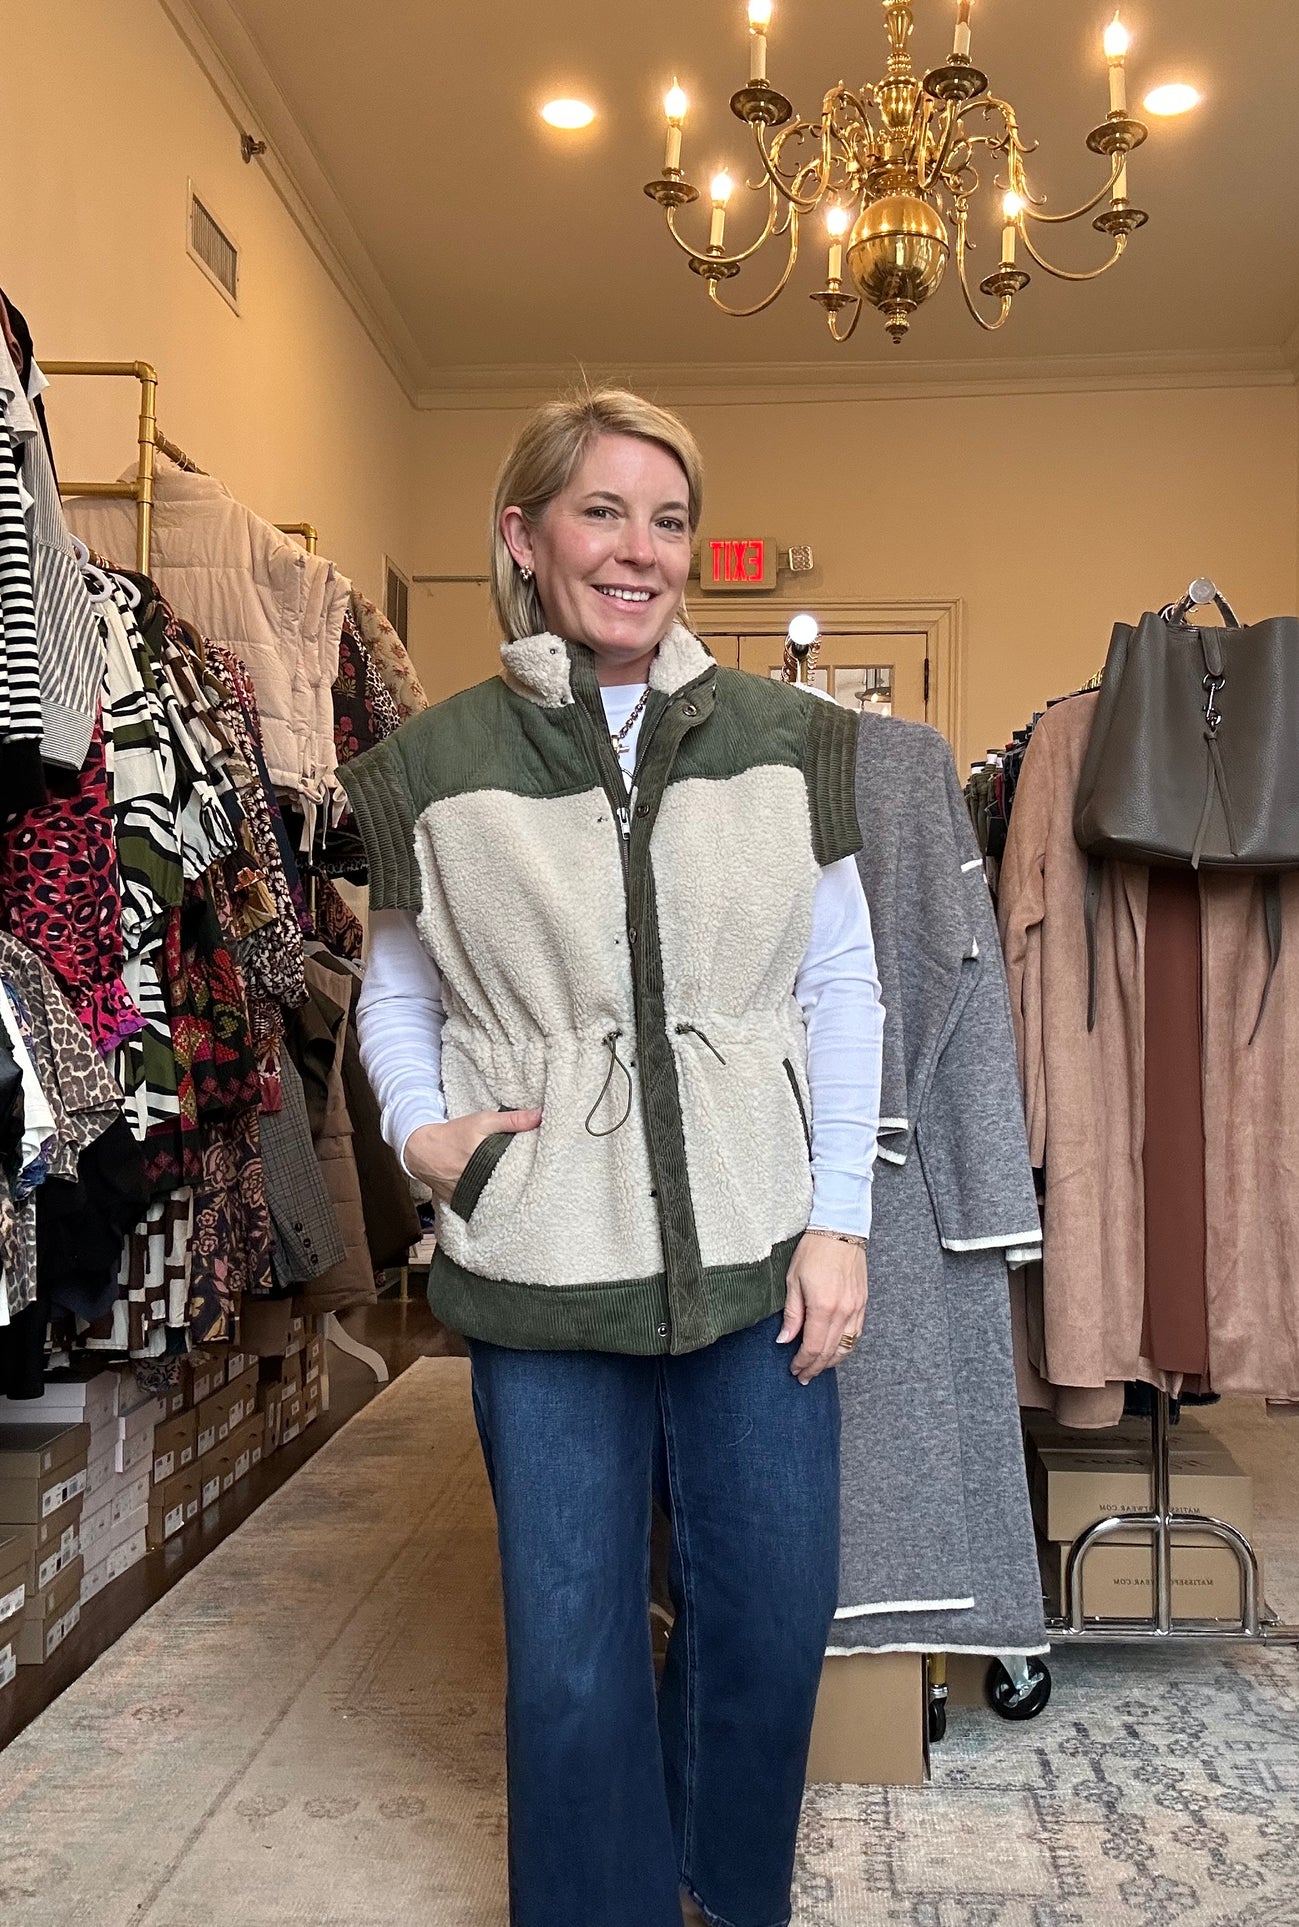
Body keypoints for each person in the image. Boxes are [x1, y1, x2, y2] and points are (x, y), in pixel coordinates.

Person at [344, 389, 884, 1927]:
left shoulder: (789, 743)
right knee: (570, 1644)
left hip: (760, 1244)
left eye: (666, 519)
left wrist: (836, 1220)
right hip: (543, 1252)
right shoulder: (432, 763)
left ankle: (721, 1893)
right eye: (601, 512)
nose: (639, 552)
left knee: (770, 1615)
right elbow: (400, 988)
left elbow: (838, 986)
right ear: (524, 537)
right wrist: (419, 1133)